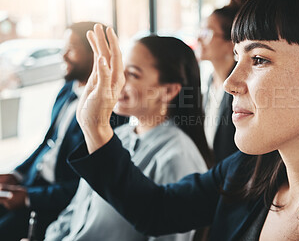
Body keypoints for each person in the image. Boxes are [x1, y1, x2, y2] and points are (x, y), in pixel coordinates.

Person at [69, 0, 299, 241]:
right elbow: (156, 210)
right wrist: (95, 125)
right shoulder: (248, 172)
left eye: (258, 59)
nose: (230, 82)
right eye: (237, 56)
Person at [44, 35, 211, 241]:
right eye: (119, 70)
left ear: (168, 91)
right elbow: (77, 209)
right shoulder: (116, 137)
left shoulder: (177, 158)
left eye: (132, 74)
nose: (118, 80)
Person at [0, 22, 127, 241]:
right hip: (32, 184)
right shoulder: (66, 91)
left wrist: (30, 198)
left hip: (53, 204)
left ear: (95, 55)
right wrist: (16, 174)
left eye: (71, 49)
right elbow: (47, 142)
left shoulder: (111, 112)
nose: (63, 56)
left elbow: (89, 186)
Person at [198, 0, 247, 163]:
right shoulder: (210, 80)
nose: (199, 39)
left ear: (230, 43)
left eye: (207, 33)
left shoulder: (241, 87)